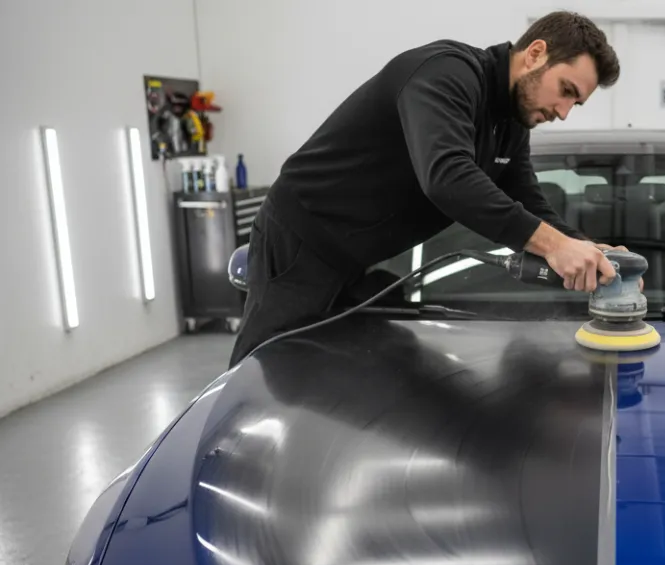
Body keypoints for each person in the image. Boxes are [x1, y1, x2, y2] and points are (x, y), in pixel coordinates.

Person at [229, 12, 622, 366]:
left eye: (578, 103)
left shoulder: (512, 123)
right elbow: (448, 177)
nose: (564, 111)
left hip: (359, 261)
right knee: (266, 377)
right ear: (536, 54)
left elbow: (527, 201)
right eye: (566, 90)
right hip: (302, 243)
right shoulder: (445, 74)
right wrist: (555, 247)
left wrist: (585, 248)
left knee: (331, 386)